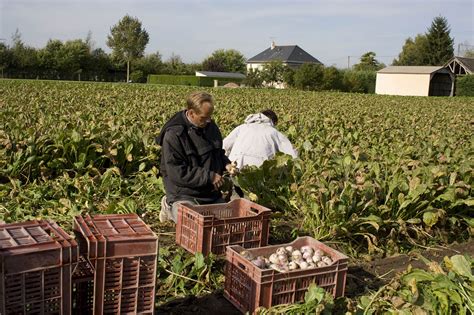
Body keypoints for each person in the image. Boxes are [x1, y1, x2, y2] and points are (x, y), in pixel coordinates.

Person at [156, 91, 235, 223]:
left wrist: (226, 164)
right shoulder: (174, 135)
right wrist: (209, 176)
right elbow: (176, 172)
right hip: (183, 194)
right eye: (204, 117)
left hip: (210, 193)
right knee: (194, 225)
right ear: (192, 113)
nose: (208, 120)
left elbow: (218, 153)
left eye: (210, 116)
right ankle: (168, 206)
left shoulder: (211, 127)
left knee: (227, 223)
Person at [223, 109, 297, 169]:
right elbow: (292, 155)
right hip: (259, 170)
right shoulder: (274, 132)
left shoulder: (242, 127)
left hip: (235, 165)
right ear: (273, 122)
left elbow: (224, 146)